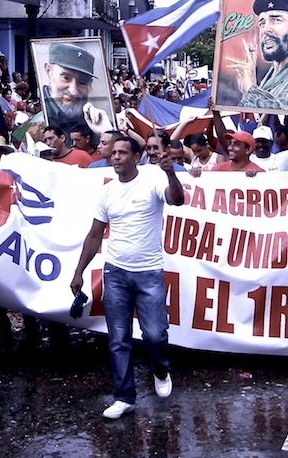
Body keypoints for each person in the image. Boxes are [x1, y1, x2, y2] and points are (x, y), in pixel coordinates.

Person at [70, 136, 185, 419]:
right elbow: (95, 234)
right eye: (114, 152)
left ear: (137, 156)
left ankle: (160, 370)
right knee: (119, 339)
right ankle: (124, 397)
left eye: (123, 152)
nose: (116, 156)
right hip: (115, 273)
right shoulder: (106, 192)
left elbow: (177, 200)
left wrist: (170, 172)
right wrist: (78, 271)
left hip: (148, 273)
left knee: (155, 334)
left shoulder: (153, 179)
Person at [42, 42, 114, 139]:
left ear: (90, 85)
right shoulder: (35, 120)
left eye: (82, 82)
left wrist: (105, 133)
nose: (73, 91)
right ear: (48, 72)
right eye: (66, 78)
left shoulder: (95, 121)